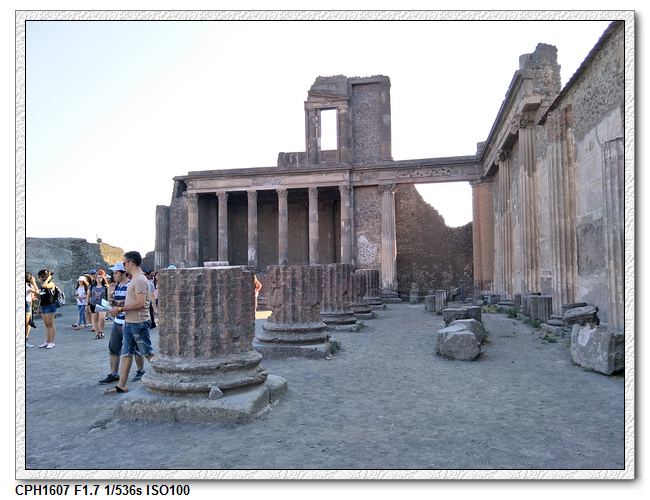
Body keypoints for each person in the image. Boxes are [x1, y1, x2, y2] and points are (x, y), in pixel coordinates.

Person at [104, 251, 155, 394]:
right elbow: (135, 300)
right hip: (130, 321)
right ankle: (122, 385)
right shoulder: (135, 279)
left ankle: (166, 376)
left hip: (138, 322)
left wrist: (120, 309)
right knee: (126, 353)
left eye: (124, 263)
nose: (124, 266)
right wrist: (122, 305)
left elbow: (140, 303)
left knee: (147, 352)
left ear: (131, 263)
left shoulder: (139, 280)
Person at [99, 262, 145, 385]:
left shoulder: (131, 285)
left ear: (123, 273)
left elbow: (134, 303)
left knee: (135, 348)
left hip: (129, 320)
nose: (113, 275)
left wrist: (124, 316)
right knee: (114, 347)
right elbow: (115, 302)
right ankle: (114, 373)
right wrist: (110, 295)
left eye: (116, 273)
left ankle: (140, 370)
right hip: (117, 321)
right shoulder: (117, 286)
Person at [36, 269, 58, 349]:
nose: (38, 278)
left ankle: (51, 342)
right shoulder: (42, 285)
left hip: (50, 305)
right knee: (47, 325)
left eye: (39, 277)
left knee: (51, 324)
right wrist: (38, 308)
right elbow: (41, 297)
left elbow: (45, 286)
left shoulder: (51, 284)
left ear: (43, 277)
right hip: (43, 306)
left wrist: (49, 278)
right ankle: (47, 341)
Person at [86, 272, 108, 339]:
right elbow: (88, 295)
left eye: (100, 277)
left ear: (102, 278)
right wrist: (87, 305)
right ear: (95, 279)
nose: (98, 279)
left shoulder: (105, 287)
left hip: (102, 304)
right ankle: (97, 334)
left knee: (102, 318)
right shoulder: (92, 286)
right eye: (97, 278)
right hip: (93, 304)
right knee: (95, 319)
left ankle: (101, 331)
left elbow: (109, 296)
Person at [25, 273, 38, 348]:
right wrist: (34, 282)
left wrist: (31, 298)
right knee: (26, 324)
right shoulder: (27, 286)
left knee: (28, 323)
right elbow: (37, 291)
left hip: (28, 302)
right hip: (26, 304)